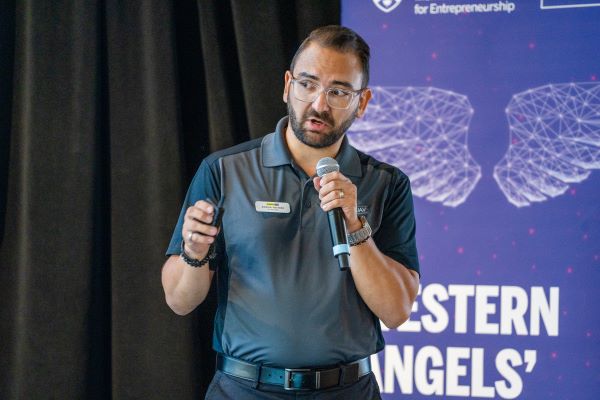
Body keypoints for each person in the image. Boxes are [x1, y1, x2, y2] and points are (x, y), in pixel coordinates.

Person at [161, 25, 420, 399]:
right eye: (307, 84)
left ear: (362, 103)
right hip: (243, 390)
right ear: (287, 85)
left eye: (338, 92)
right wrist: (193, 254)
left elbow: (397, 312)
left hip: (347, 390)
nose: (318, 104)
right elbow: (179, 301)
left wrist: (354, 223)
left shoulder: (387, 184)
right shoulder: (224, 171)